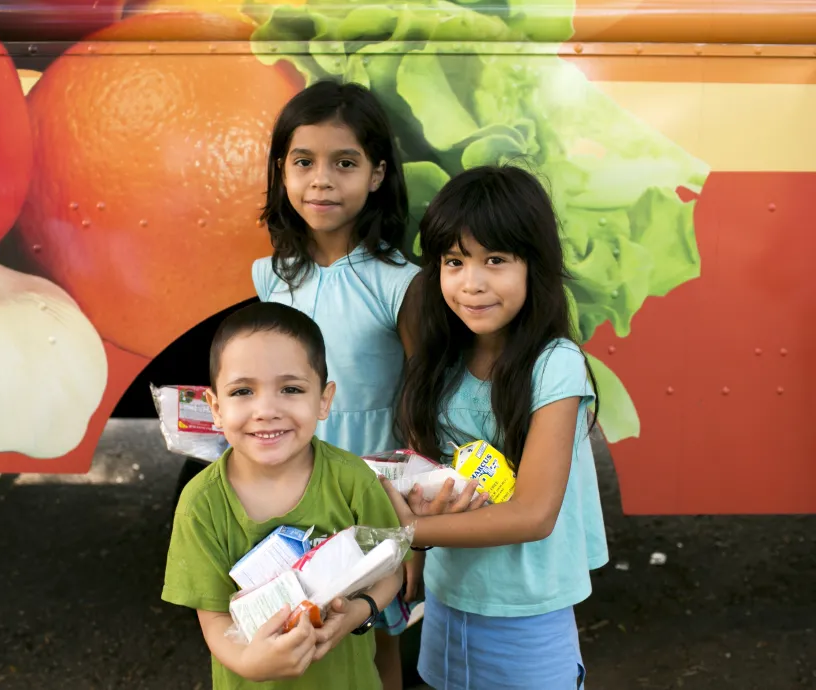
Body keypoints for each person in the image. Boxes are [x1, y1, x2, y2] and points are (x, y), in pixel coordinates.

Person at [381, 164, 610, 689]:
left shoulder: (555, 366)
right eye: (454, 261)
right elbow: (424, 470)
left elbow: (533, 515)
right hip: (446, 600)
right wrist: (415, 552)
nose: (472, 283)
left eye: (496, 260)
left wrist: (408, 533)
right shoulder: (440, 361)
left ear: (535, 267)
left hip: (528, 614)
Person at [252, 79, 421, 687]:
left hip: (372, 489)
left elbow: (421, 397)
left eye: (344, 163)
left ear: (376, 175)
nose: (321, 180)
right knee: (297, 627)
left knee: (374, 636)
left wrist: (415, 529)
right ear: (282, 170)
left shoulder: (399, 282)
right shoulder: (270, 275)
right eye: (304, 162)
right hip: (291, 484)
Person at [161, 301, 404, 690]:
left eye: (290, 389)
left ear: (323, 400)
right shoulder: (201, 503)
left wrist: (358, 612)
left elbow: (390, 569)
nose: (266, 409)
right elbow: (214, 619)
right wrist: (250, 662)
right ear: (215, 408)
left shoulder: (353, 480)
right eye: (243, 391)